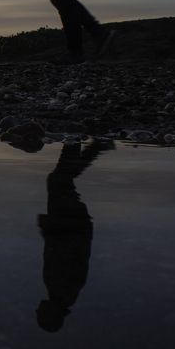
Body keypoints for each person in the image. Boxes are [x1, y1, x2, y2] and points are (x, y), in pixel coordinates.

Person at [36, 140, 111, 332]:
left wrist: (49, 231)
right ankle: (80, 143)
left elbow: (58, 255)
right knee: (58, 180)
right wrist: (50, 230)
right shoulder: (64, 291)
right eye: (41, 313)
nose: (38, 308)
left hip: (70, 226)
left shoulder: (61, 292)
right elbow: (66, 255)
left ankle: (89, 145)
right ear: (52, 314)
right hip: (71, 225)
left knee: (59, 180)